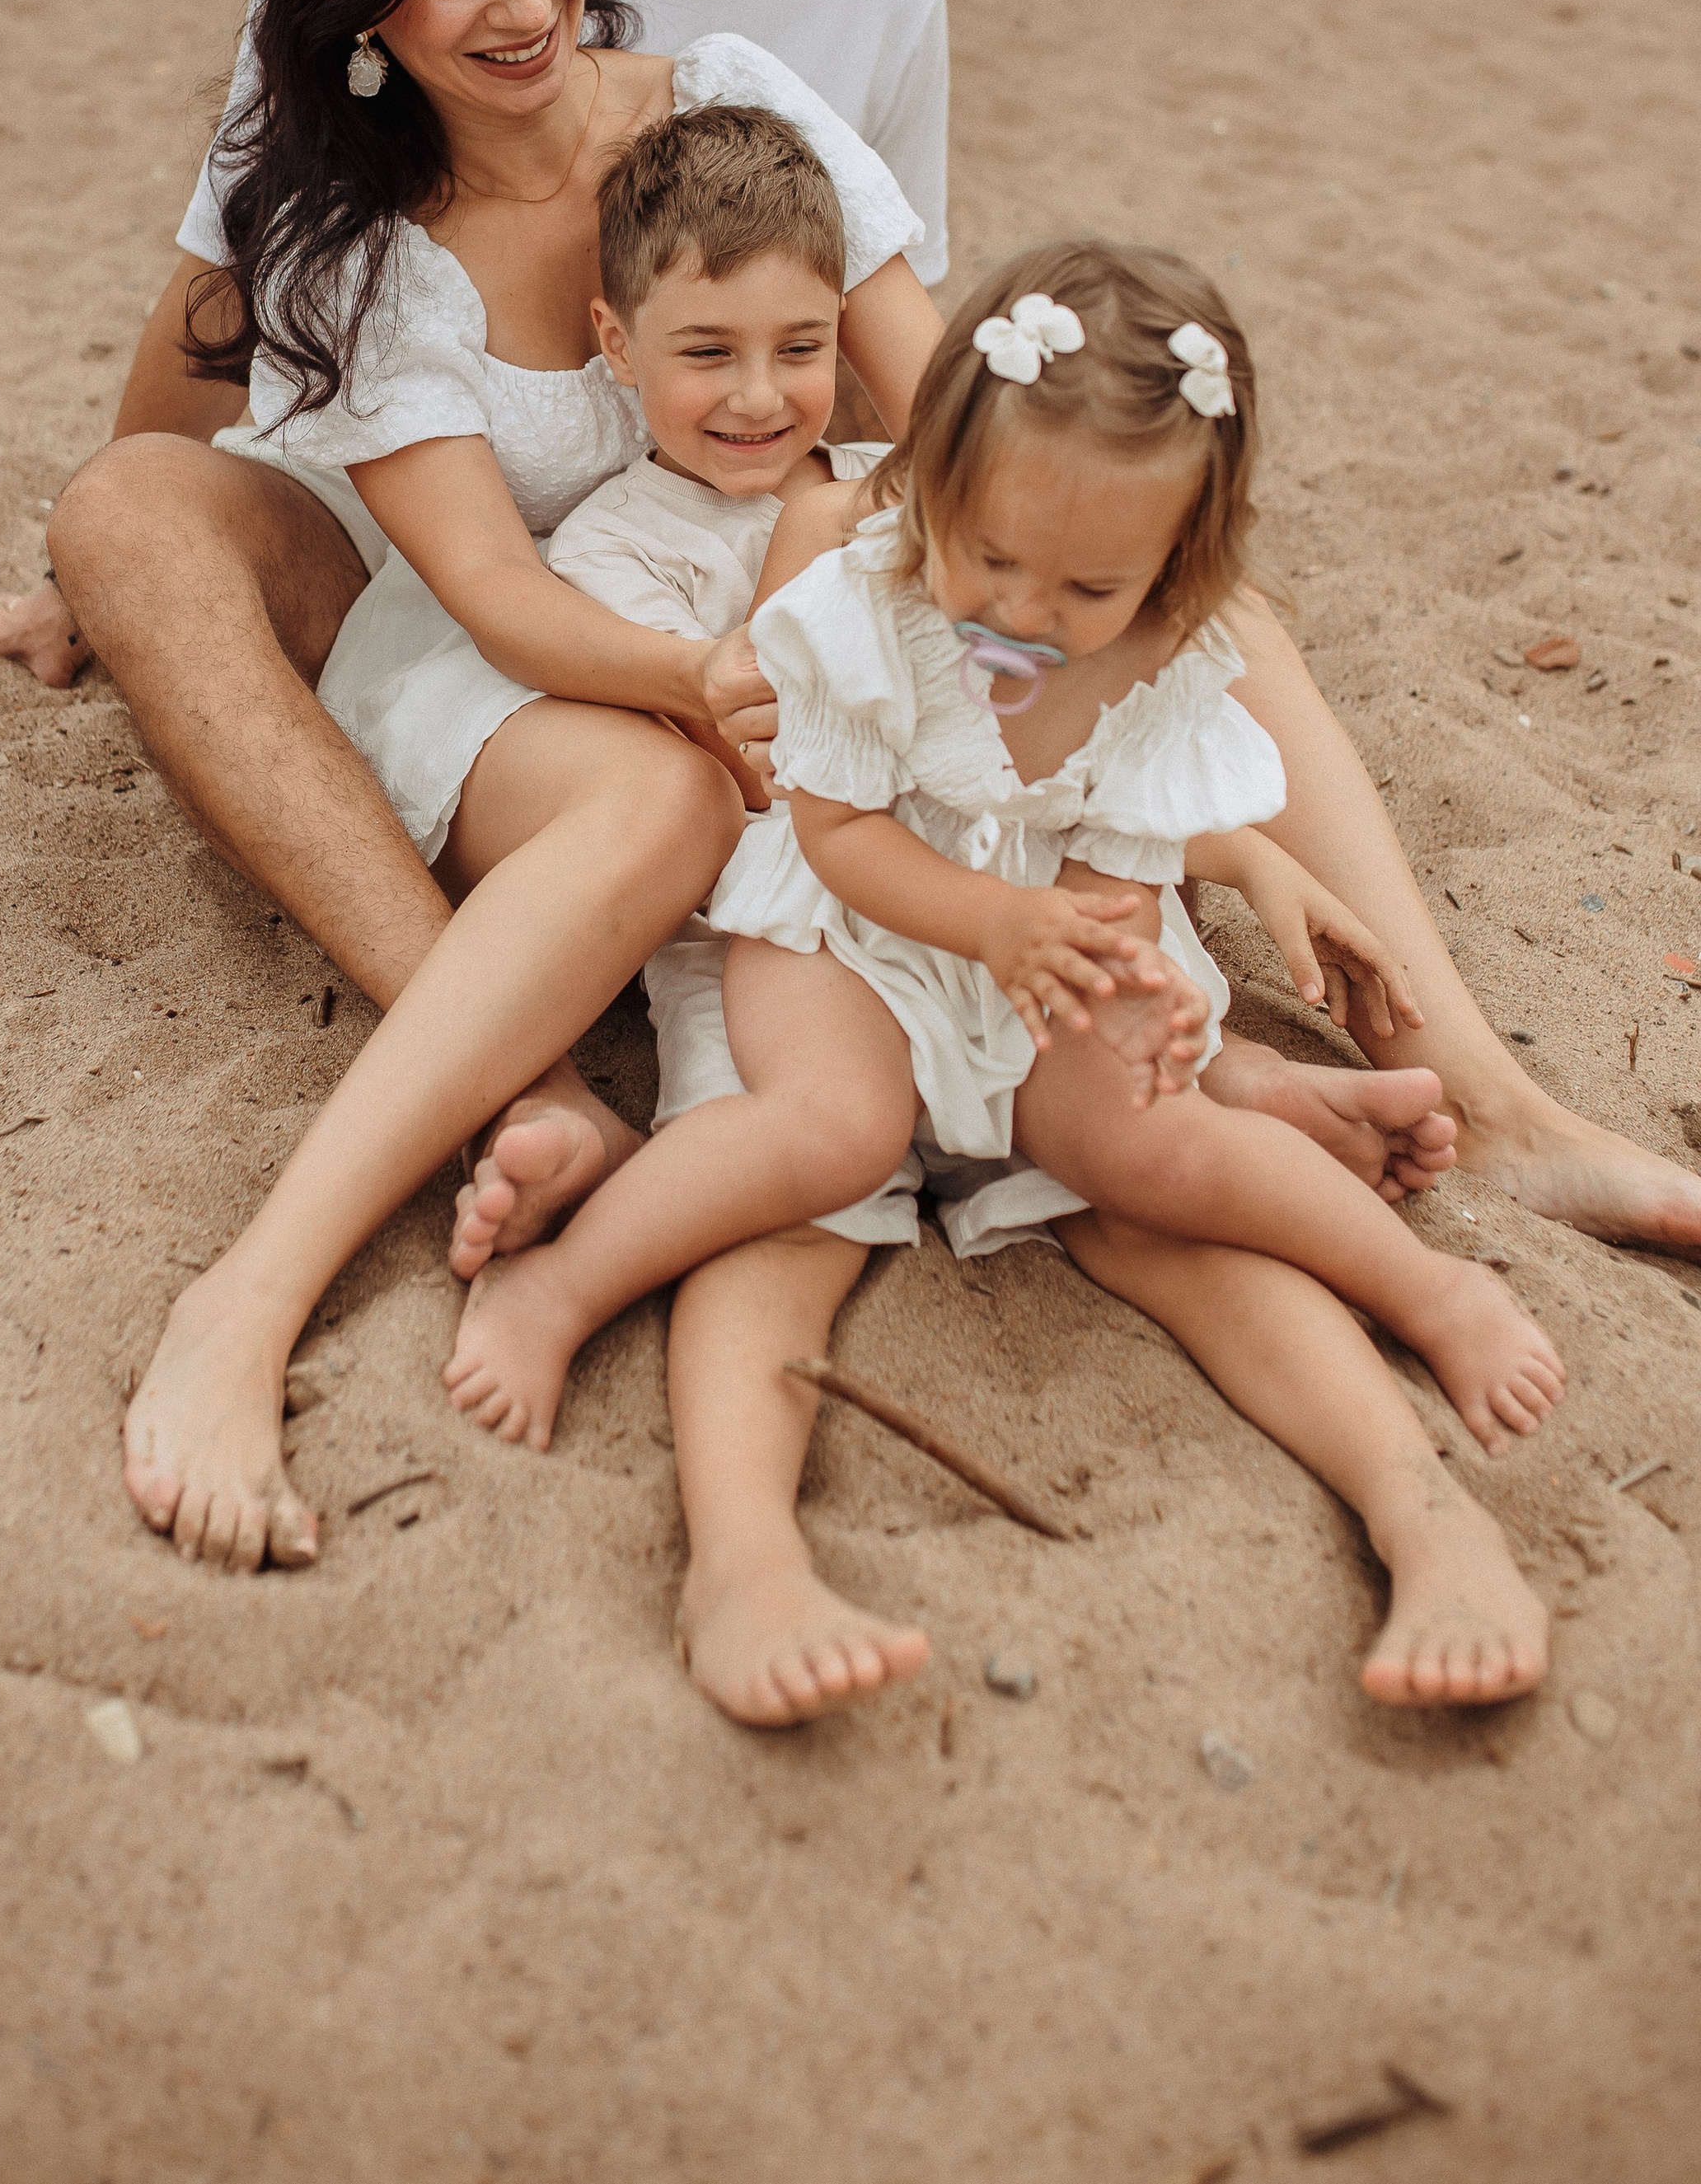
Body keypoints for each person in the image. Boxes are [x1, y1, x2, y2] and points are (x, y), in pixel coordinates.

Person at [0, 0, 1701, 1262]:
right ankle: (508, 1063)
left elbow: (914, 384)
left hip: (730, 504)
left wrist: (889, 560)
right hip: (435, 556)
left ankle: (1470, 1088)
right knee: (128, 512)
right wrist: (104, 584)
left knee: (1201, 606)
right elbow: (208, 329)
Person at [452, 206, 1558, 1718]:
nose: (1028, 617)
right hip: (833, 931)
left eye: (1088, 592)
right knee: (811, 1160)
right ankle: (695, 1484)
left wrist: (1134, 976)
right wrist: (998, 932)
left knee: (1150, 1154)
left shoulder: (1172, 655)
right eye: (997, 560)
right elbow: (829, 834)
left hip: (1028, 940)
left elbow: (1120, 861)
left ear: (1178, 569)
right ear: (934, 487)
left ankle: (1424, 1421)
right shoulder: (864, 599)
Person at [106, 0, 944, 1570]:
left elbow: (936, 404)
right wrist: (710, 686)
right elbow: (485, 595)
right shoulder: (355, 234)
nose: (515, 1)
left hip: (716, 593)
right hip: (507, 653)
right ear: (353, 6)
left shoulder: (717, 104)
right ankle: (249, 1292)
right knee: (658, 803)